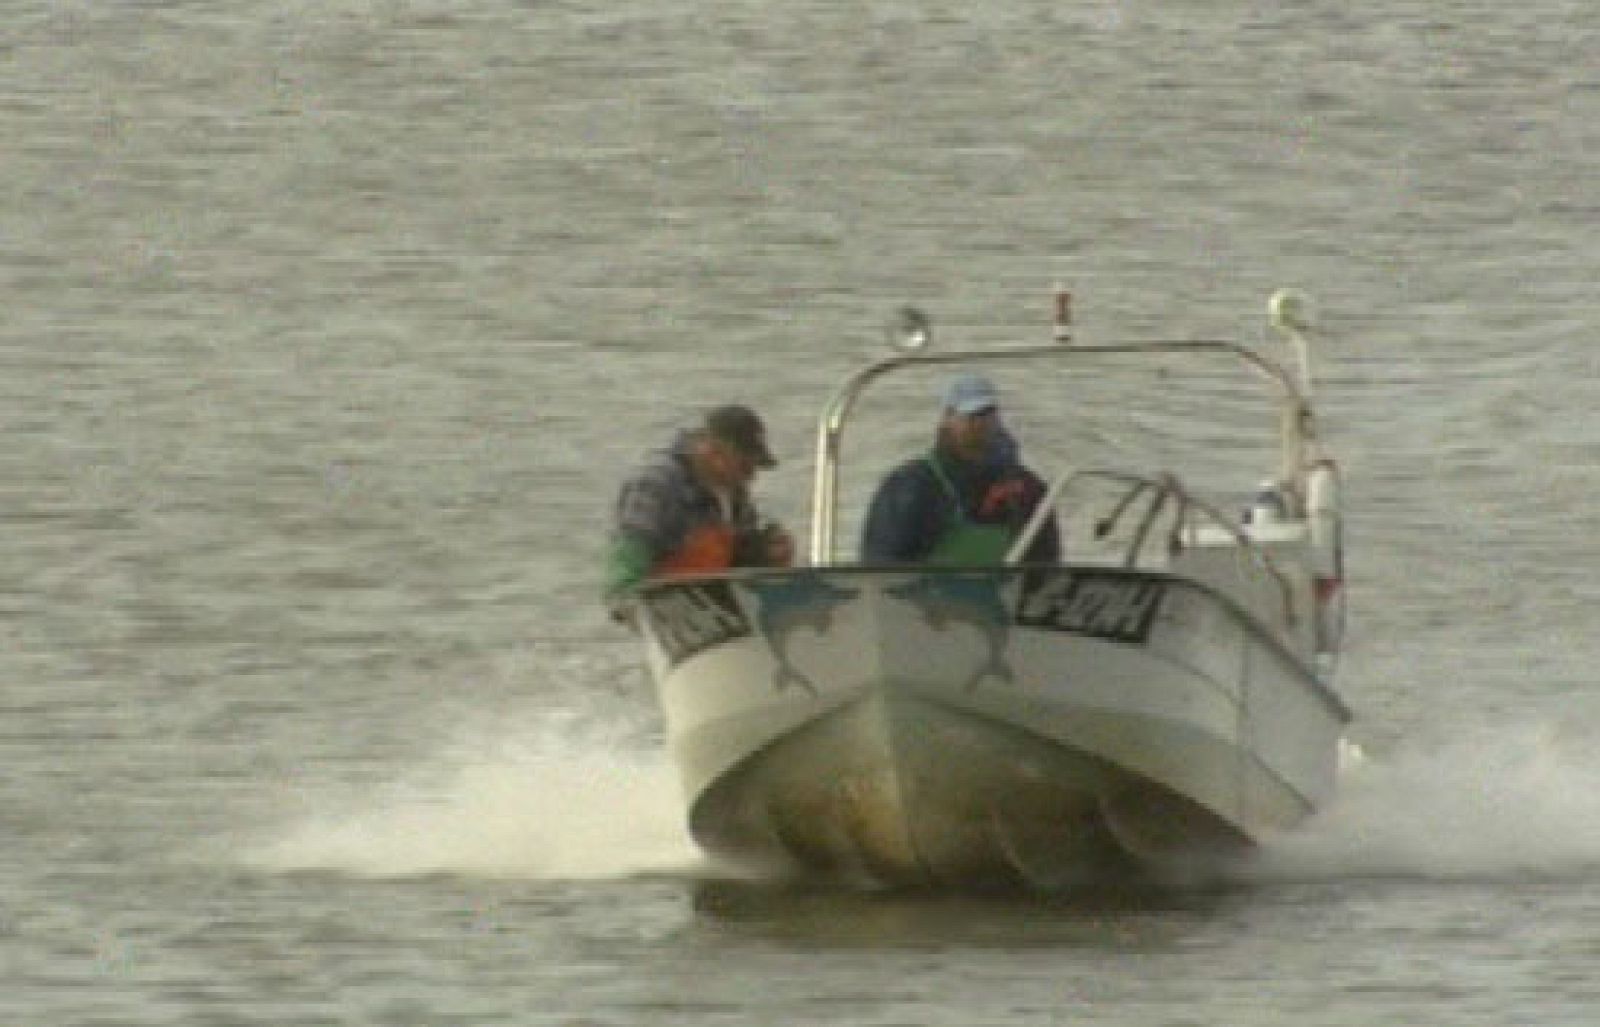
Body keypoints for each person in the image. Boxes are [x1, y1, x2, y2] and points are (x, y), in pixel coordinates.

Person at [603, 404, 795, 612]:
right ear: (713, 452)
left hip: (716, 610)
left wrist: (766, 553)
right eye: (745, 466)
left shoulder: (733, 495)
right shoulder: (655, 486)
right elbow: (628, 566)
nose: (751, 477)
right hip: (666, 611)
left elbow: (737, 562)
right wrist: (629, 603)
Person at [860, 373, 1060, 566]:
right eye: (970, 415)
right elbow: (880, 563)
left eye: (986, 413)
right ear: (947, 418)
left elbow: (1046, 565)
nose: (979, 423)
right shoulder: (911, 485)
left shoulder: (1027, 488)